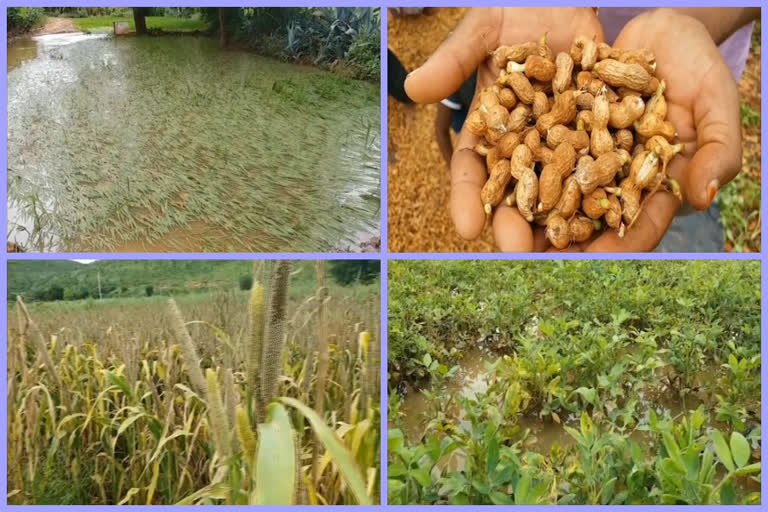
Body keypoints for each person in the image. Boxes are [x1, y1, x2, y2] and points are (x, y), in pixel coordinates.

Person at [404, 7, 759, 252]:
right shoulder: (543, 112)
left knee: (675, 199)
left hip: (685, 70)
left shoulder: (618, 118)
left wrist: (694, 18)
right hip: (573, 57)